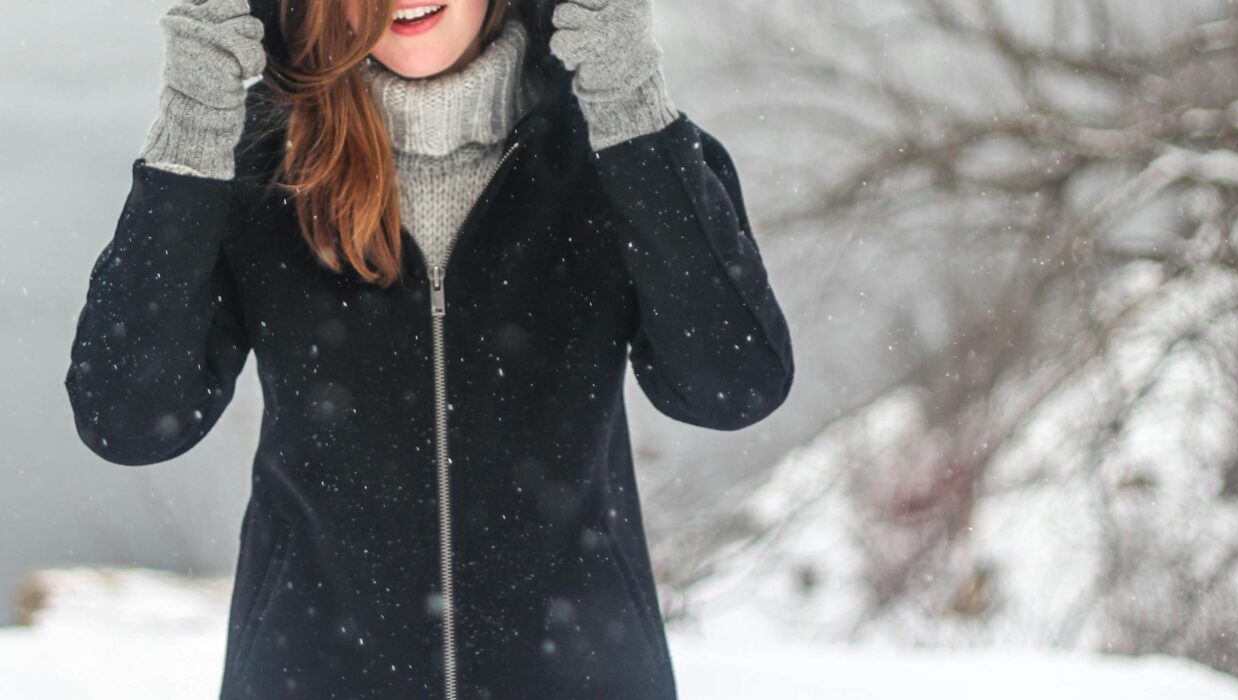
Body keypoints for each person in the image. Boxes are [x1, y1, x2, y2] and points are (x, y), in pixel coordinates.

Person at [62, 0, 795, 697]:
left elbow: (732, 386)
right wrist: (194, 124)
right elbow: (128, 418)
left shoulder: (618, 149)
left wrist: (629, 100)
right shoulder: (259, 165)